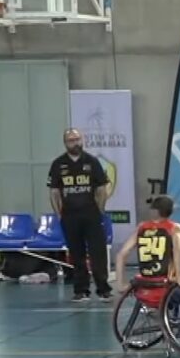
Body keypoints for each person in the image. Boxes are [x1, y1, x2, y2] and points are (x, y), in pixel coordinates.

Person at [47, 128, 112, 302]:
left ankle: (103, 289)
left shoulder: (92, 162)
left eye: (77, 139)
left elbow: (101, 188)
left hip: (91, 214)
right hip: (69, 216)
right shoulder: (58, 164)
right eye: (71, 140)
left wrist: (100, 210)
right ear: (65, 143)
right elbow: (54, 192)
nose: (75, 143)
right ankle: (81, 290)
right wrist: (59, 214)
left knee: (98, 253)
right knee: (77, 254)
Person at [115, 195, 180, 293]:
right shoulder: (174, 228)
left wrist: (120, 285)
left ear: (154, 210)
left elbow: (121, 255)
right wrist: (179, 278)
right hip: (166, 280)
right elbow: (177, 252)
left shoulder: (141, 228)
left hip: (145, 281)